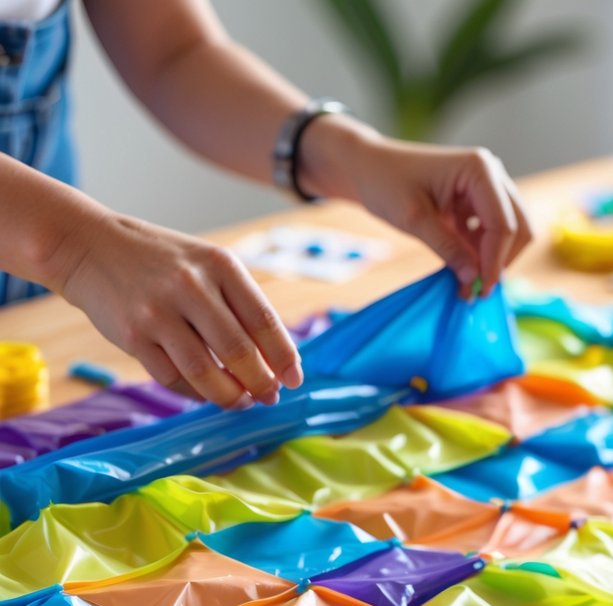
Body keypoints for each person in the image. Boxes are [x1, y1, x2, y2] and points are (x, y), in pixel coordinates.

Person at [0, 0, 533, 407]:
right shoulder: (70, 247)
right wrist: (76, 248)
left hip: (32, 299)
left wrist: (351, 154)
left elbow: (173, 52)